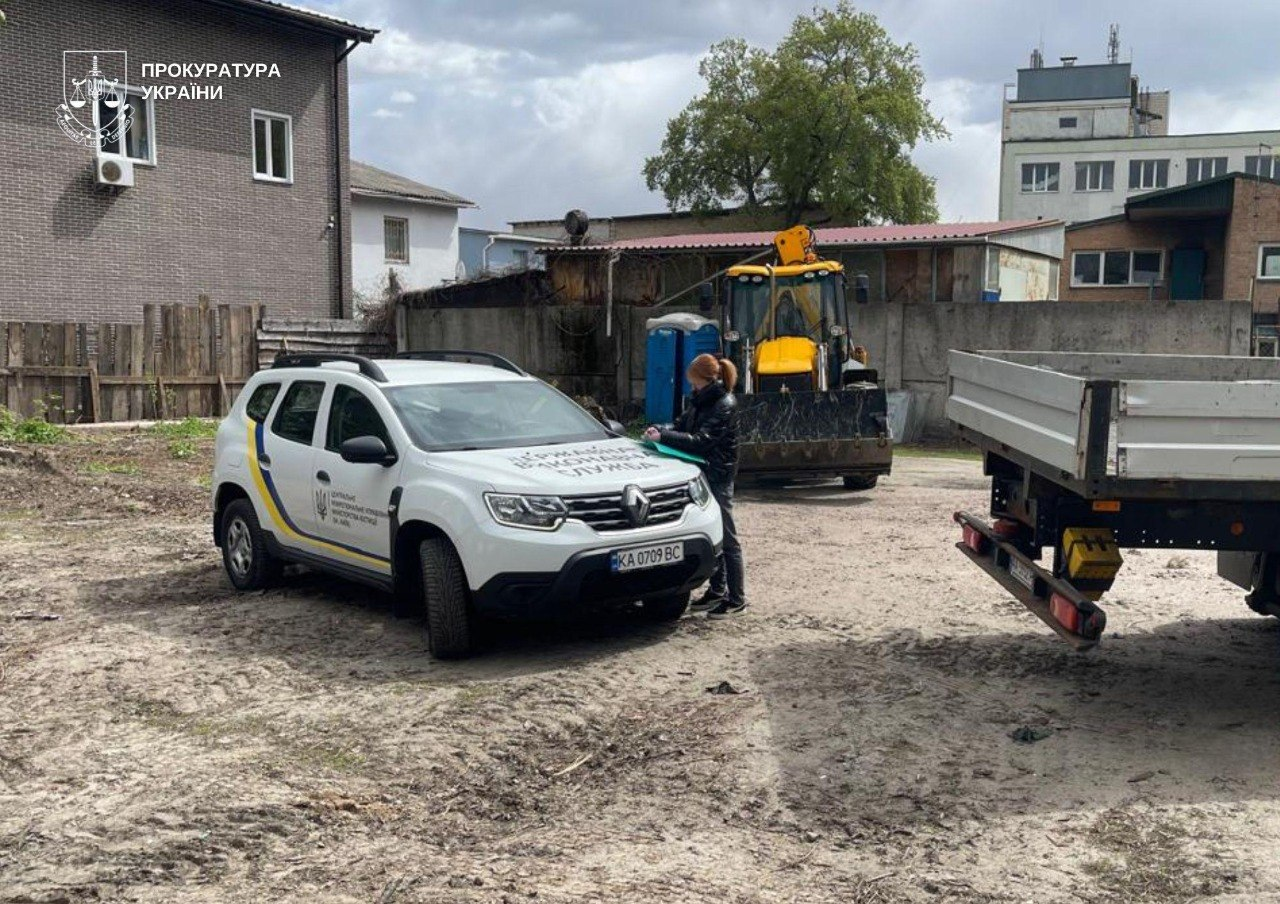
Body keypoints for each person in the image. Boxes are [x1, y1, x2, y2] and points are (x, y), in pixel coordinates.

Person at [645, 353, 746, 618]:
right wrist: (660, 429)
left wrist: (664, 436)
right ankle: (717, 590)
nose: (692, 387)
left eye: (694, 383)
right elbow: (681, 426)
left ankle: (736, 598)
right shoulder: (701, 401)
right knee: (717, 533)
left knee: (728, 537)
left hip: (718, 474)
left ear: (706, 380)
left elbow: (701, 440)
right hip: (704, 472)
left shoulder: (724, 404)